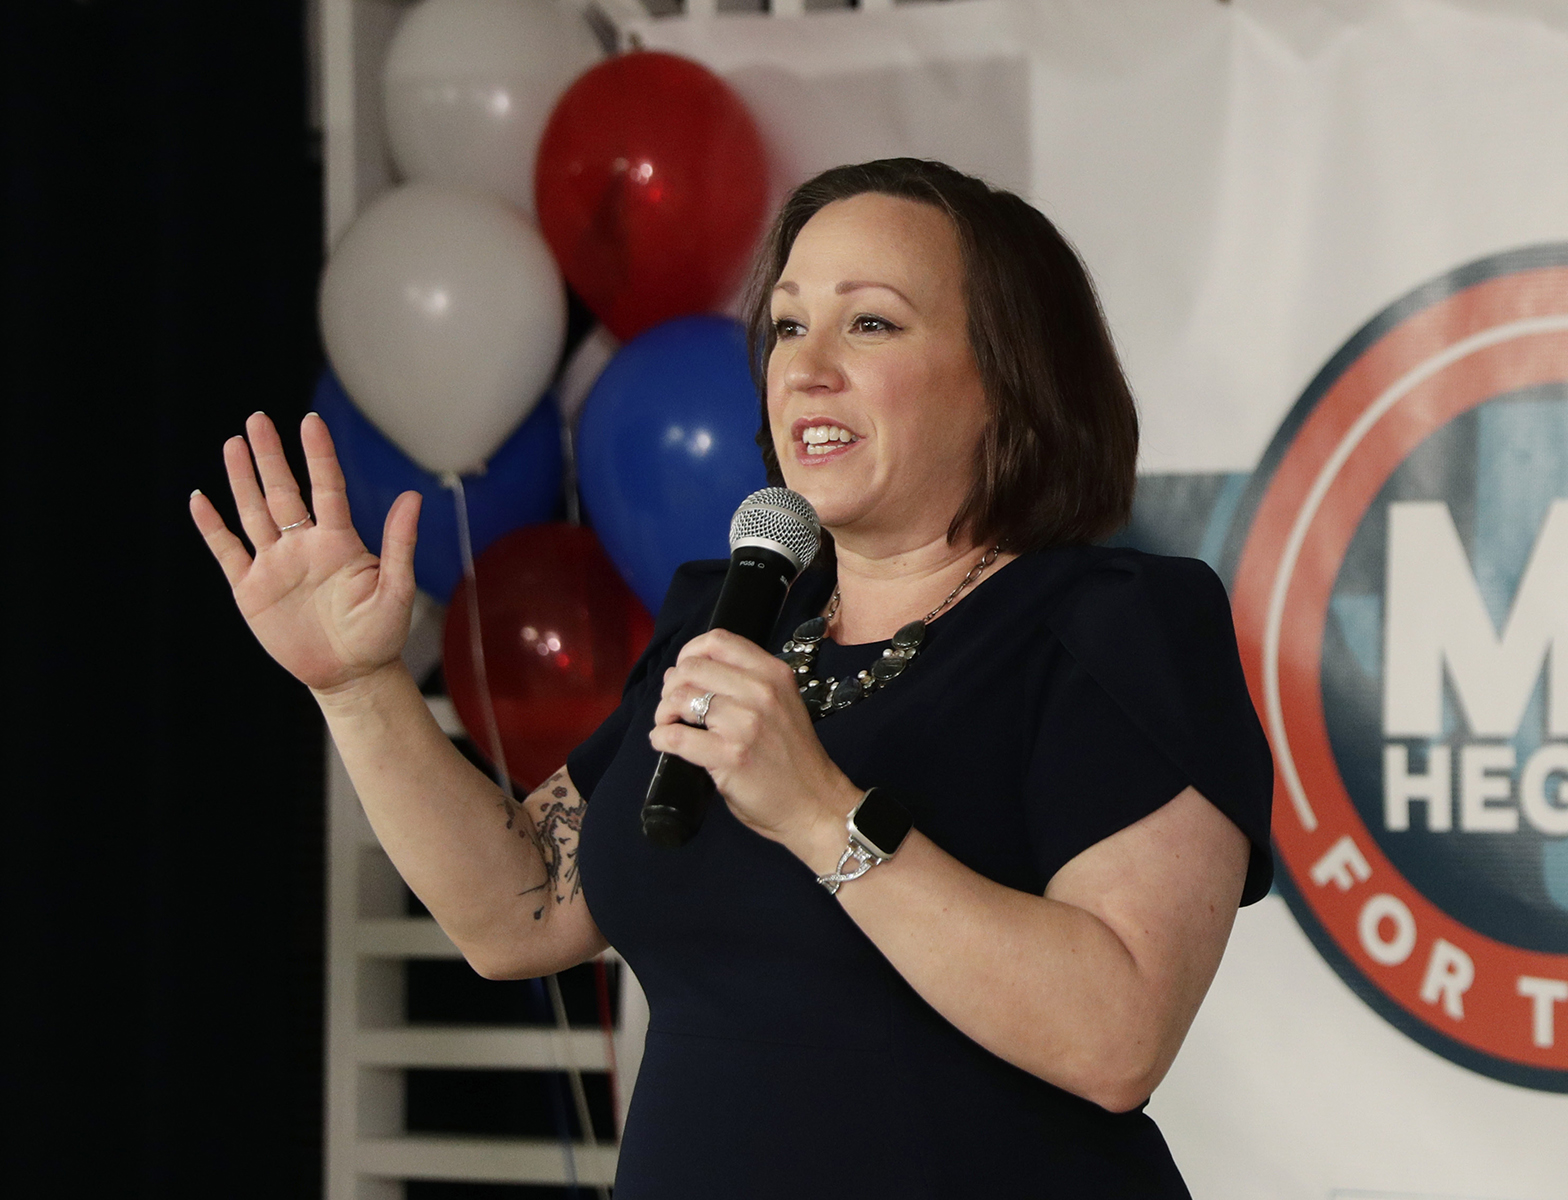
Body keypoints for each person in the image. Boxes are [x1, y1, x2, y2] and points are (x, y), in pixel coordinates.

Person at [192, 157, 1272, 1198]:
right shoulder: (740, 617)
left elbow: (1115, 1039)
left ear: (1012, 381)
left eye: (873, 322)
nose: (805, 364)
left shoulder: (1115, 627)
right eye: (790, 323)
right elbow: (520, 914)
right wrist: (357, 685)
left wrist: (820, 817)